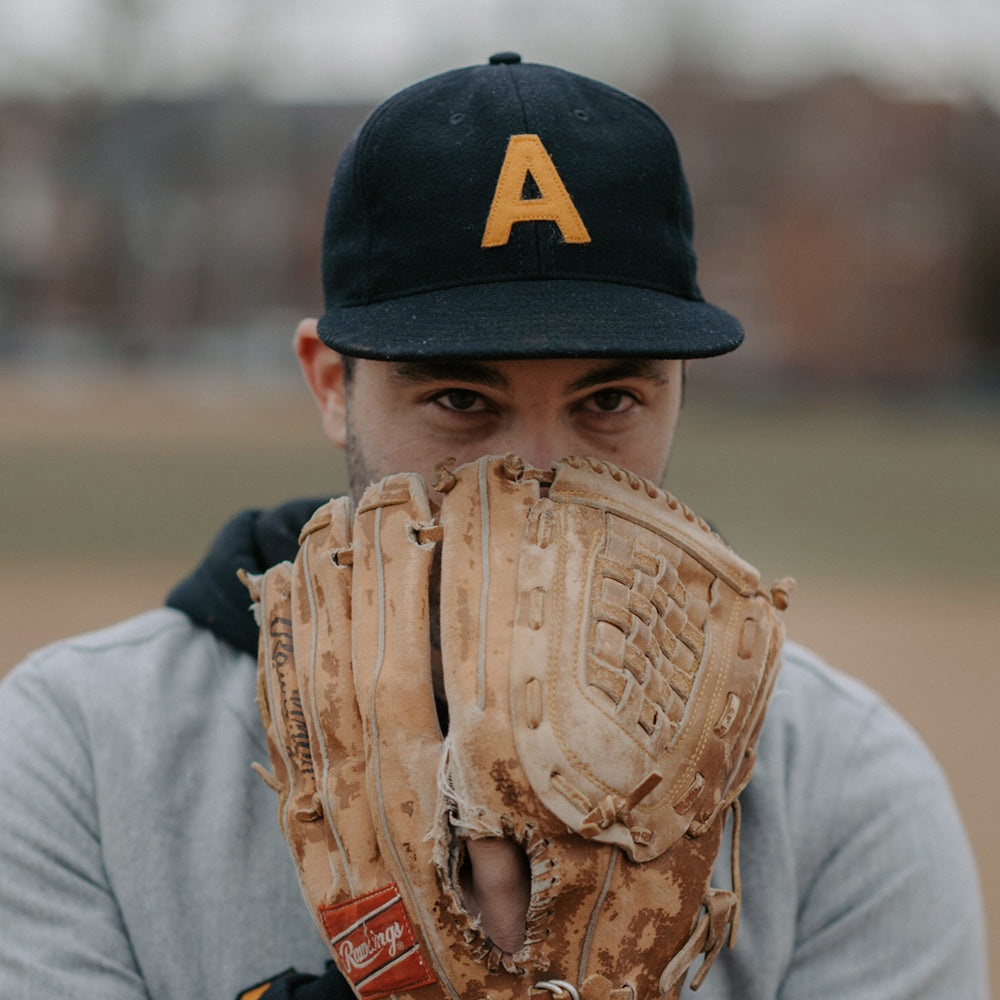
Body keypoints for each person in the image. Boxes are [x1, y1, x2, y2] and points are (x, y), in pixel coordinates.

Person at [0, 53, 988, 1000]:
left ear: (677, 396)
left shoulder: (843, 785)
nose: (541, 476)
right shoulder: (78, 751)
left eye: (608, 401)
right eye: (463, 400)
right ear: (332, 385)